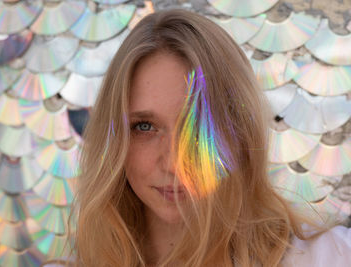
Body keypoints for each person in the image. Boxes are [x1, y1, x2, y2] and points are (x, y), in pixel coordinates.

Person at [67, 8, 351, 267]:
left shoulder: (329, 258)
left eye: (199, 126)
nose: (174, 163)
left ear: (241, 131)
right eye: (144, 127)